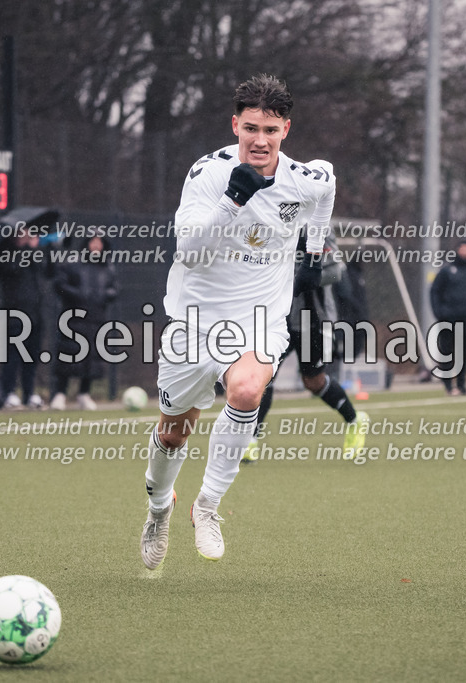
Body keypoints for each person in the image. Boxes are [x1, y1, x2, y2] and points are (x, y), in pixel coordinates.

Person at [140, 74, 335, 569]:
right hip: (195, 320)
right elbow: (190, 252)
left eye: (271, 129)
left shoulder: (305, 180)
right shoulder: (207, 174)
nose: (260, 140)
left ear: (286, 129)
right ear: (235, 124)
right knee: (173, 433)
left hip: (259, 319)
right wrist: (233, 201)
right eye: (251, 128)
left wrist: (314, 249)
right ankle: (159, 510)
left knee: (247, 391)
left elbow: (326, 187)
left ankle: (207, 506)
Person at [243, 230, 369, 462]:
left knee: (313, 381)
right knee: (264, 375)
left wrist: (299, 280)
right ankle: (251, 439)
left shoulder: (319, 226)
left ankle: (354, 419)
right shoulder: (273, 219)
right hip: (280, 319)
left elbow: (335, 272)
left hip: (314, 319)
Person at [48, 235, 118, 411]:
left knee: (91, 358)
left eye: (99, 242)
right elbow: (59, 284)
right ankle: (59, 394)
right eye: (93, 241)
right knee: (68, 355)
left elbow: (115, 288)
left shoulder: (107, 268)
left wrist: (106, 295)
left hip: (96, 320)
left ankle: (84, 394)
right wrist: (78, 295)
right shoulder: (73, 264)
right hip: (73, 320)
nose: (96, 245)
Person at [0, 231, 45, 409]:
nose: (29, 237)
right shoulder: (6, 253)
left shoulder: (34, 256)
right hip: (14, 315)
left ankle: (29, 393)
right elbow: (13, 268)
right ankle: (9, 393)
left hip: (34, 314)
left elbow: (49, 271)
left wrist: (49, 248)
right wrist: (28, 249)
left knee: (31, 357)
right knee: (12, 356)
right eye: (25, 233)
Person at [429, 238, 466, 395]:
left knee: (463, 354)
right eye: (462, 249)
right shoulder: (447, 271)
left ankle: (461, 385)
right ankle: (448, 386)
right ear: (457, 250)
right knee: (447, 352)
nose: (464, 252)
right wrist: (439, 312)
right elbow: (435, 291)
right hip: (448, 319)